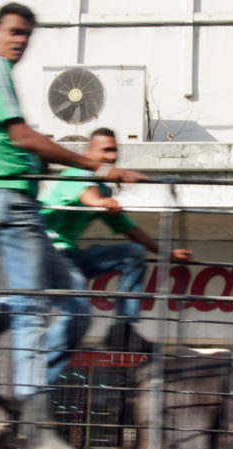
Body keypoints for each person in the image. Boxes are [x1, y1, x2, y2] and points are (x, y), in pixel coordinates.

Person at [0, 3, 144, 449]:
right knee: (36, 308)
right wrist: (96, 167)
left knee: (76, 302)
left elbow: (16, 144)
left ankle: (0, 361)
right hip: (13, 205)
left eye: (26, 35)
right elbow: (22, 137)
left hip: (23, 209)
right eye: (14, 32)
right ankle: (34, 423)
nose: (19, 40)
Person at [41, 128, 192, 354]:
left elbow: (130, 229)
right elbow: (88, 196)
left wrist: (167, 254)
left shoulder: (102, 188)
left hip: (71, 256)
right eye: (106, 150)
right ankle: (40, 354)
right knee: (78, 314)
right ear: (89, 152)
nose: (111, 157)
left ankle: (123, 328)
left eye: (115, 151)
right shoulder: (77, 173)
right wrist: (102, 203)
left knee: (133, 252)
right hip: (50, 255)